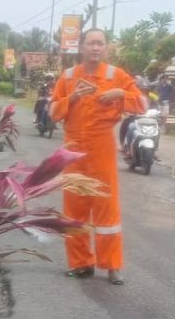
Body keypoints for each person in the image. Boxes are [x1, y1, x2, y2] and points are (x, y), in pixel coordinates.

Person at [49, 29, 148, 285]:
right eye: (91, 43)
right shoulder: (69, 76)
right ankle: (81, 264)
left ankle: (112, 266)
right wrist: (72, 98)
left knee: (107, 208)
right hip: (73, 151)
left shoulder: (117, 75)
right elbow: (52, 112)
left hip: (102, 148)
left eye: (100, 44)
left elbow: (142, 104)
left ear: (106, 48)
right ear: (81, 47)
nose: (95, 48)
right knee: (74, 209)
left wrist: (120, 95)